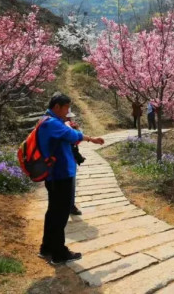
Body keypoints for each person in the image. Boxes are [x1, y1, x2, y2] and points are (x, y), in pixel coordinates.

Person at [37, 93, 104, 264]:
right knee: (60, 215)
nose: (68, 111)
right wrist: (92, 139)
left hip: (55, 174)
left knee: (53, 212)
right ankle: (59, 253)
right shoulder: (52, 123)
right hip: (60, 175)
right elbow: (73, 135)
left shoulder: (46, 121)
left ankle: (46, 248)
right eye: (66, 107)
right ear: (57, 107)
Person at [65, 109, 85, 216]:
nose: (70, 119)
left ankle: (69, 206)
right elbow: (76, 138)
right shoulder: (63, 126)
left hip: (68, 158)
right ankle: (69, 206)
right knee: (69, 184)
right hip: (66, 159)